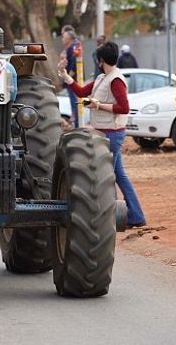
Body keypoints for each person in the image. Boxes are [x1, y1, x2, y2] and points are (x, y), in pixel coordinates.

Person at [58, 41, 146, 228]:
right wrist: (65, 76)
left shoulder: (115, 79)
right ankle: (135, 216)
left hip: (112, 134)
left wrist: (98, 105)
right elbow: (82, 92)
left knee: (106, 177)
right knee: (118, 175)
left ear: (101, 60)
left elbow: (124, 108)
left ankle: (110, 218)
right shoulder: (102, 78)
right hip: (105, 132)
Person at [61, 28, 82, 127]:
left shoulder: (73, 47)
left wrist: (68, 77)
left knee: (75, 103)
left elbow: (74, 64)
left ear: (69, 38)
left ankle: (77, 124)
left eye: (64, 37)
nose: (62, 39)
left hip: (73, 80)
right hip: (74, 79)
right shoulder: (73, 46)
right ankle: (77, 123)